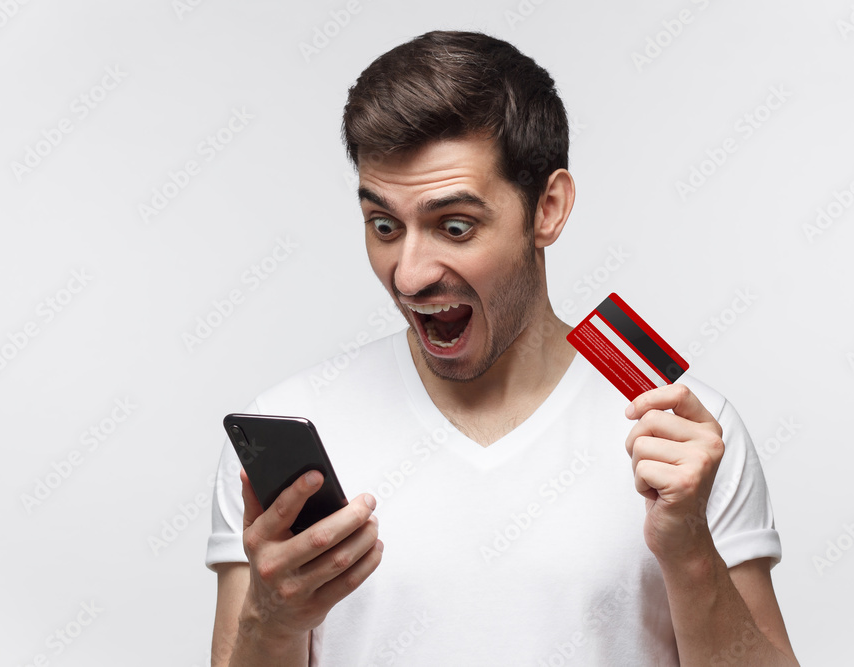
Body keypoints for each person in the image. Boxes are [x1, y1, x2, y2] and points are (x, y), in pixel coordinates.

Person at [206, 30, 799, 666]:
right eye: (384, 226)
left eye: (454, 227)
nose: (408, 275)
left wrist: (690, 553)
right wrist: (270, 622)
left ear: (548, 207)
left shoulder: (683, 433)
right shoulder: (292, 426)